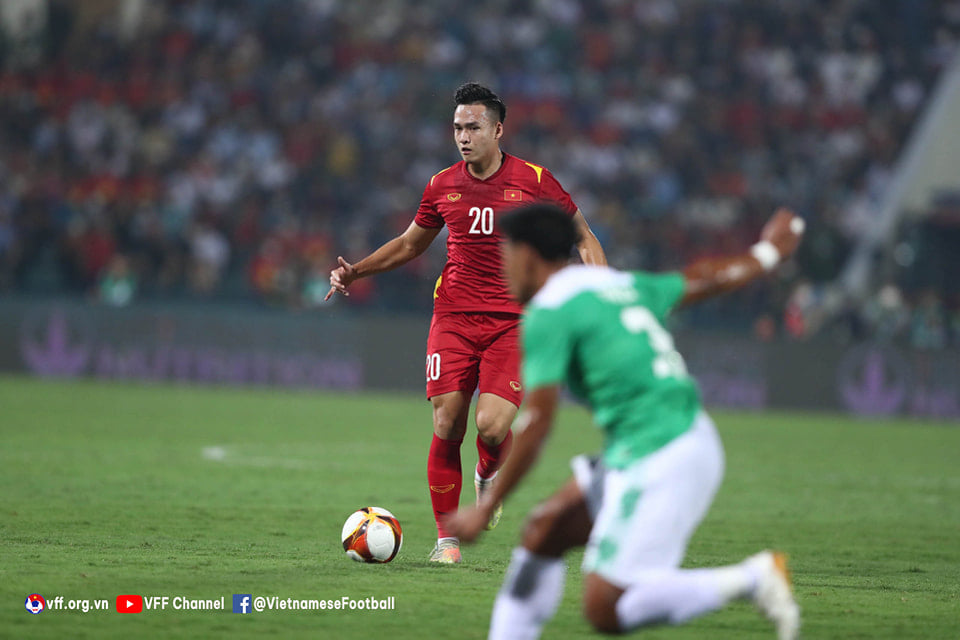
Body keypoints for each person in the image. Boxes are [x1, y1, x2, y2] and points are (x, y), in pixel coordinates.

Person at [446, 204, 804, 639]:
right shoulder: (612, 283)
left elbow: (536, 422)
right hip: (658, 443)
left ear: (527, 255)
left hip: (663, 456)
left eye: (504, 255)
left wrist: (485, 506)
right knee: (544, 532)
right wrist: (767, 253)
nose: (502, 269)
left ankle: (754, 578)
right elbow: (701, 279)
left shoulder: (549, 312)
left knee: (604, 608)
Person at [326, 83, 607, 563]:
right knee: (447, 421)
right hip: (454, 316)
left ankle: (487, 472)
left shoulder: (535, 181)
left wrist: (603, 296)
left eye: (473, 127)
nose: (463, 136)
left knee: (493, 427)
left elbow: (583, 236)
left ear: (498, 129)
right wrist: (357, 269)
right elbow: (411, 244)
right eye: (457, 127)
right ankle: (447, 542)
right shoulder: (441, 185)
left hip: (515, 321)